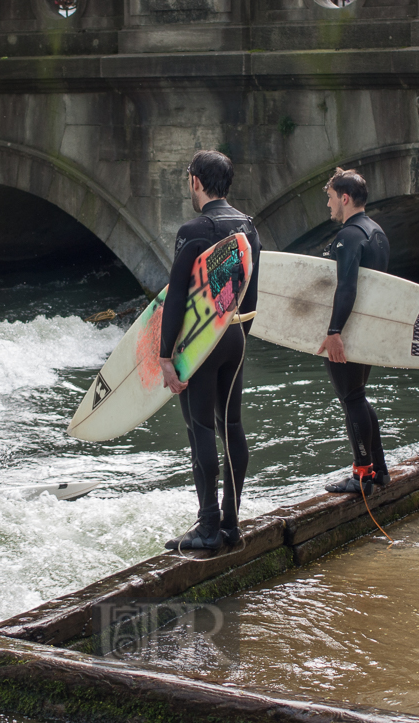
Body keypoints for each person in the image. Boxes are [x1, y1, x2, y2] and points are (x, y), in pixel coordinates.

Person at [159, 151, 261, 551]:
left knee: (200, 427)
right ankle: (231, 523)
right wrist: (240, 335)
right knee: (231, 426)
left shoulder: (194, 229)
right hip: (234, 335)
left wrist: (166, 356)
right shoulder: (247, 226)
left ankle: (207, 526)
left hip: (200, 342)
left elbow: (177, 296)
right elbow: (252, 288)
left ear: (195, 182)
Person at [316, 169, 391, 495]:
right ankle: (379, 470)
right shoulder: (377, 233)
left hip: (347, 331)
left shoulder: (349, 236)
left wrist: (334, 332)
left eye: (331, 198)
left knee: (352, 398)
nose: (329, 205)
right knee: (358, 397)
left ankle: (362, 474)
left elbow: (347, 287)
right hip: (368, 330)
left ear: (344, 198)